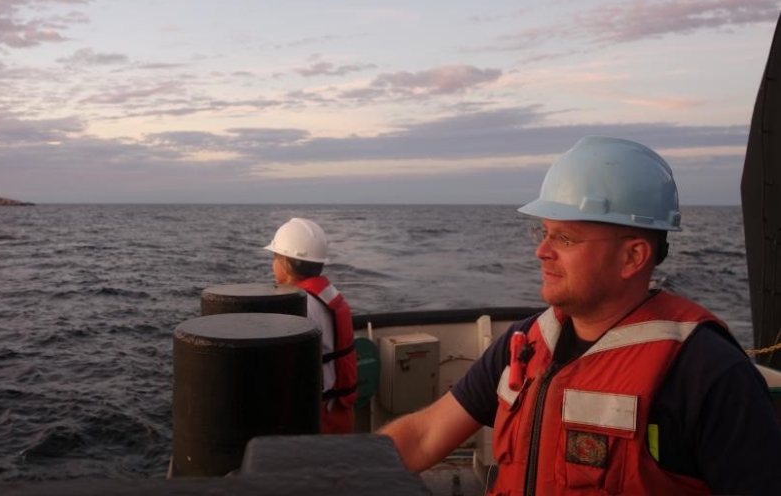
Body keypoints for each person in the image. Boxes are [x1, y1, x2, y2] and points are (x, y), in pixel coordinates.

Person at [379, 136, 781, 495]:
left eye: (565, 237)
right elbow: (424, 434)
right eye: (544, 232)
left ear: (632, 257)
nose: (542, 251)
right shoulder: (524, 344)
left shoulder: (707, 373)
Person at [265, 217, 358, 433]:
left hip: (317, 420)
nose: (272, 264)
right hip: (339, 413)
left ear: (286, 264)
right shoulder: (325, 297)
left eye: (275, 257)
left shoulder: (300, 307)